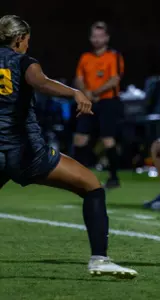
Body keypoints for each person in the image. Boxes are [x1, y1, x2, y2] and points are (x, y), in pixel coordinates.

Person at [0, 15, 137, 278]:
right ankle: (99, 259)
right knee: (92, 187)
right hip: (27, 152)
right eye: (27, 39)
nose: (28, 44)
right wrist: (74, 93)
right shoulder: (24, 61)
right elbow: (41, 82)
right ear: (19, 39)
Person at [73, 21, 124, 189]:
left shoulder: (114, 56)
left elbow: (115, 79)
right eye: (94, 36)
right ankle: (80, 177)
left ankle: (113, 177)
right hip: (88, 102)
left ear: (107, 38)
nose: (96, 39)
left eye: (100, 36)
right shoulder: (85, 57)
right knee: (80, 138)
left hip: (108, 102)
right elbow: (78, 78)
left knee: (108, 139)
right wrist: (85, 92)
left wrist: (94, 92)